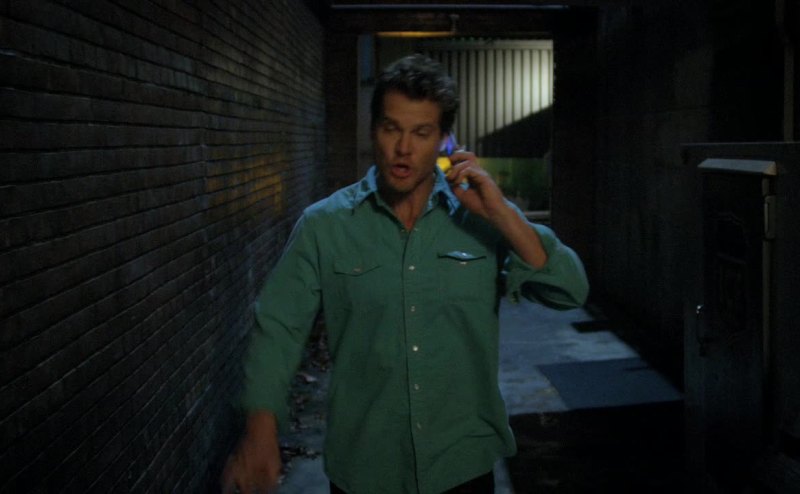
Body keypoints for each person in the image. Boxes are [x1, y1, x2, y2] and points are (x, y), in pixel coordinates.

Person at [222, 54, 589, 494]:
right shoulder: (325, 225)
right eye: (391, 128)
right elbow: (279, 325)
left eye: (421, 132)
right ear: (373, 129)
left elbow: (569, 291)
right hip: (366, 468)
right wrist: (260, 430)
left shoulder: (482, 221)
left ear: (444, 140)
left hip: (462, 465)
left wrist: (502, 213)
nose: (403, 148)